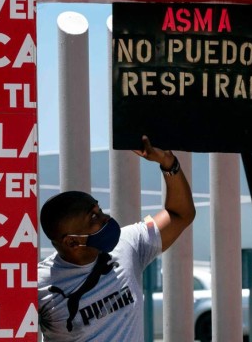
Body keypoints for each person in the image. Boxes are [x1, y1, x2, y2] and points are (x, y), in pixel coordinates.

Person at [38, 135, 195, 341]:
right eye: (94, 217)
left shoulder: (127, 243)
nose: (106, 218)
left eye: (100, 209)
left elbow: (180, 214)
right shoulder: (39, 286)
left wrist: (169, 163)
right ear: (72, 241)